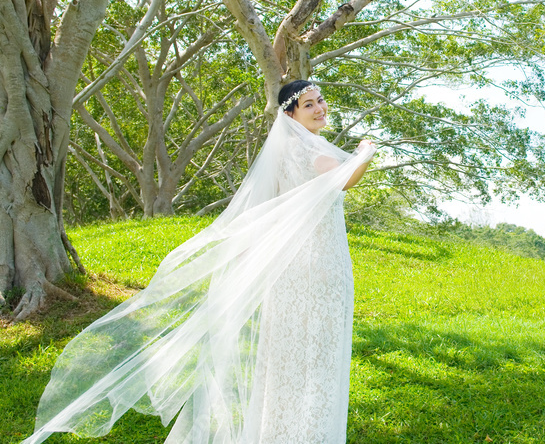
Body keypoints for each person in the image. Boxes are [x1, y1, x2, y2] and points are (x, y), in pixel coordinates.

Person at [22, 80, 375, 444]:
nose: (320, 108)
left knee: (287, 359)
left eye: (321, 101)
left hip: (293, 269)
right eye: (309, 104)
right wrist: (365, 151)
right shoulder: (303, 148)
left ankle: (279, 432)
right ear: (290, 114)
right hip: (315, 267)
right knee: (315, 356)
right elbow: (344, 180)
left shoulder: (285, 149)